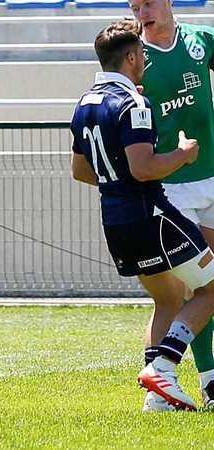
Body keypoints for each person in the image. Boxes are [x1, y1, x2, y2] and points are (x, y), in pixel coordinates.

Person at [70, 19, 214, 411]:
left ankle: (157, 397)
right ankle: (163, 367)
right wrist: (183, 154)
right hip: (153, 217)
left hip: (115, 223)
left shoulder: (84, 104)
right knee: (210, 288)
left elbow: (80, 170)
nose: (145, 63)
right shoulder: (133, 102)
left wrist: (118, 184)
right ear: (131, 57)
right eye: (142, 56)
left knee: (168, 299)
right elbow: (144, 168)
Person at [128, 0, 214, 411]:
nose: (142, 12)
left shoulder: (200, 40)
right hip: (171, 188)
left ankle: (195, 383)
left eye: (147, 3)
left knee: (206, 287)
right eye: (134, 7)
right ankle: (182, 380)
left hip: (211, 176)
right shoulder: (134, 56)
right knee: (193, 289)